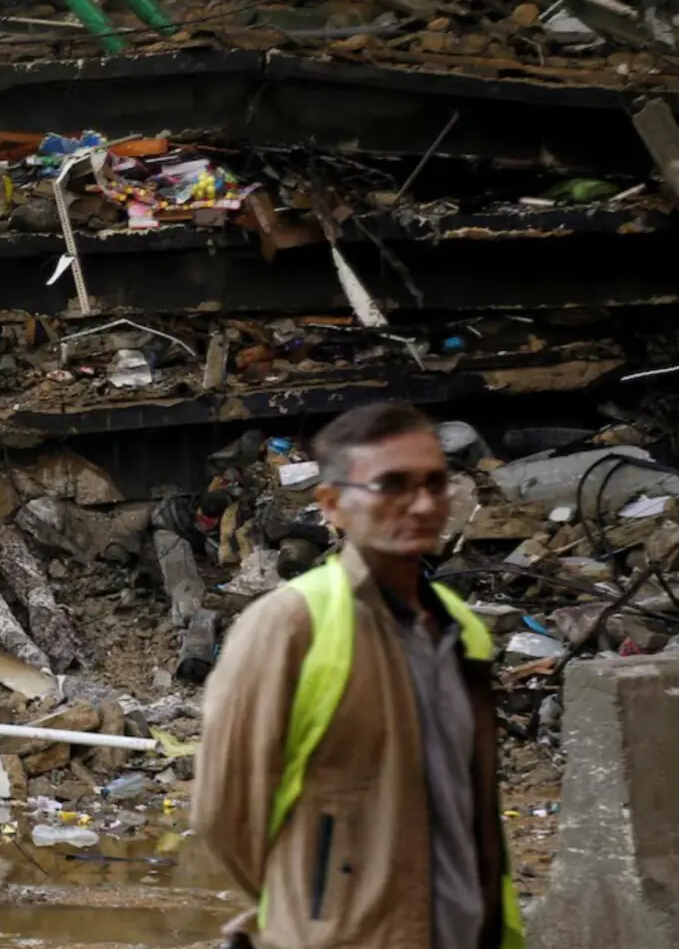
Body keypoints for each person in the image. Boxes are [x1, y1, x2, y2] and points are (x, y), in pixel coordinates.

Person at [191, 403, 523, 949]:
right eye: (392, 485)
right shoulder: (289, 625)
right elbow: (227, 812)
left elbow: (476, 807)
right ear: (334, 505)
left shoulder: (463, 630)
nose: (421, 504)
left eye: (434, 483)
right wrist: (316, 910)